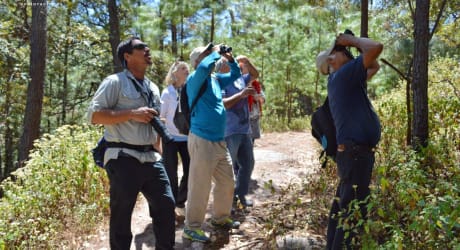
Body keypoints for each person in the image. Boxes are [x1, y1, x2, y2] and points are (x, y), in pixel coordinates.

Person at [87, 37, 175, 250]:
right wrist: (132, 114)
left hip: (151, 158)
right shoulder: (114, 82)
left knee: (166, 205)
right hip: (123, 157)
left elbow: (154, 123)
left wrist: (159, 149)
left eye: (147, 46)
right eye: (140, 47)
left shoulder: (152, 87)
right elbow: (94, 116)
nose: (147, 49)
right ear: (127, 56)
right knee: (122, 214)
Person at [316, 33, 383, 249]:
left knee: (344, 208)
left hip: (353, 155)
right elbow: (376, 47)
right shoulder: (343, 75)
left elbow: (374, 66)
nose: (343, 51)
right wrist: (352, 41)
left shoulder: (343, 79)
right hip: (355, 155)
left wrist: (350, 45)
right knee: (352, 214)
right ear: (330, 61)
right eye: (337, 51)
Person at [182, 43, 241, 243]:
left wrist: (230, 59)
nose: (211, 57)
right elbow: (206, 66)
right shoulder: (194, 79)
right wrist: (215, 52)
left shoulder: (214, 80)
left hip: (218, 141)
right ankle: (192, 227)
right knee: (200, 186)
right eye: (206, 54)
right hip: (201, 140)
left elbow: (235, 75)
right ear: (198, 61)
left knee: (227, 181)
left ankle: (220, 219)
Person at [218, 55, 258, 208]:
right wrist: (240, 95)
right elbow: (223, 104)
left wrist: (247, 61)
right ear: (223, 65)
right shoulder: (220, 81)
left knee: (248, 164)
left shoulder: (240, 78)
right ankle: (226, 202)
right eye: (229, 61)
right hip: (230, 131)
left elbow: (255, 75)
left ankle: (240, 195)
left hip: (244, 130)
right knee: (228, 169)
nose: (233, 63)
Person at [160, 61, 191, 223]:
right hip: (170, 139)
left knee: (190, 171)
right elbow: (161, 116)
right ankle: (170, 208)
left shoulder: (189, 91)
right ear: (175, 73)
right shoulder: (167, 93)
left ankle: (180, 201)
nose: (187, 70)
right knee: (171, 173)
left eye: (187, 68)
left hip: (187, 138)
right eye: (183, 68)